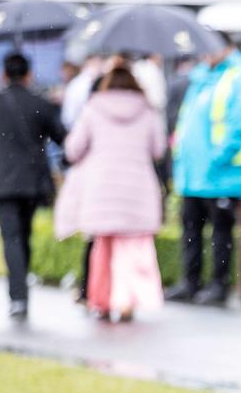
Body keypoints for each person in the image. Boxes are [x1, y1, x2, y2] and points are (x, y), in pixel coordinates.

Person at [54, 66, 166, 322]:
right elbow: (158, 150)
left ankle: (102, 301)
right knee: (135, 248)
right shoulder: (148, 110)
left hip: (101, 188)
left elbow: (73, 149)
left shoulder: (93, 108)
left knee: (103, 249)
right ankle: (128, 302)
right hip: (138, 189)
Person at [167, 33, 241, 306]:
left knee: (221, 233)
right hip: (195, 174)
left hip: (223, 175)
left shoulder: (239, 76)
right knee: (191, 229)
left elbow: (240, 127)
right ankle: (190, 281)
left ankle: (218, 285)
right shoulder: (200, 77)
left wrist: (216, 158)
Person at [0, 52, 66, 321]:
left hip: (1, 181)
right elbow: (62, 138)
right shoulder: (42, 104)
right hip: (33, 181)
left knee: (11, 237)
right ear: (28, 74)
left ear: (3, 74)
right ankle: (21, 289)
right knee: (24, 235)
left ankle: (18, 296)